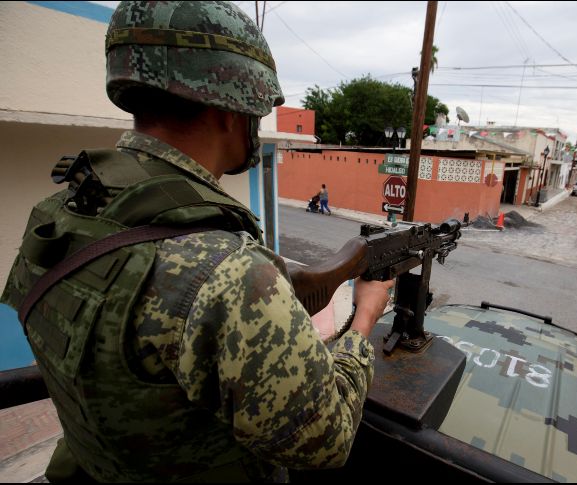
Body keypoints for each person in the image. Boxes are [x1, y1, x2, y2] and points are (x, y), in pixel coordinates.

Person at [0, 1, 393, 482]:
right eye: (257, 106)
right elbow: (325, 441)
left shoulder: (61, 215)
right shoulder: (227, 271)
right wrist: (366, 317)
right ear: (230, 107)